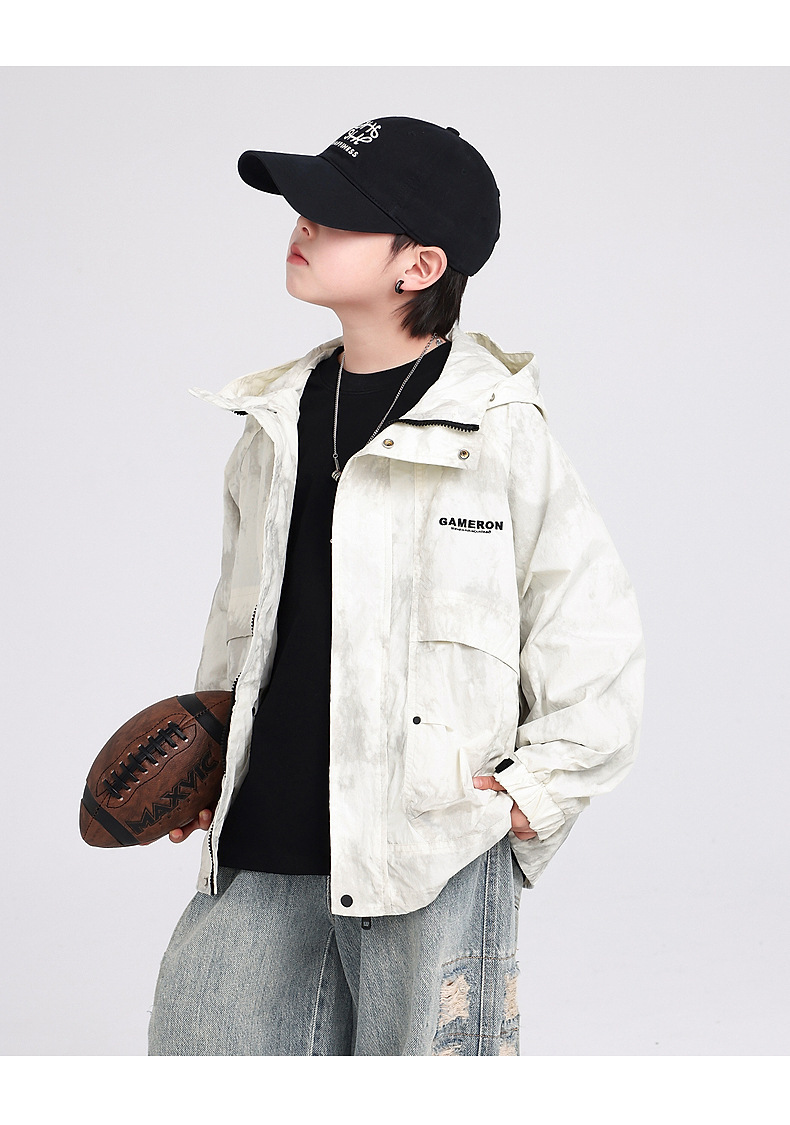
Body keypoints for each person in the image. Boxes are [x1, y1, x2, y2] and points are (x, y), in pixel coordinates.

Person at [147, 116, 645, 1057]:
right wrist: (212, 748)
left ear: (419, 266)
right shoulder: (272, 423)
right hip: (266, 831)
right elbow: (241, 615)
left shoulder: (498, 428)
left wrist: (532, 794)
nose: (301, 223)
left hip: (430, 847)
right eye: (304, 205)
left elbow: (589, 627)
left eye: (336, 215)